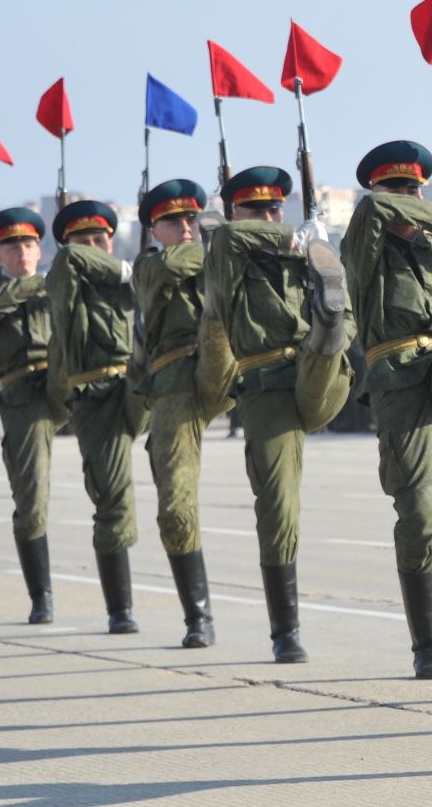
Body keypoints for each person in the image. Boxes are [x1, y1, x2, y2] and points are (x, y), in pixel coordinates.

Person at [339, 141, 432, 678]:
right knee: (420, 510)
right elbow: (373, 209)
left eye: (416, 190)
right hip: (399, 378)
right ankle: (428, 646)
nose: (407, 199)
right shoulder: (365, 245)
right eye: (399, 190)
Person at [197, 166, 355, 661]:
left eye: (275, 209)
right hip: (266, 388)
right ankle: (286, 632)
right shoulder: (225, 250)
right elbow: (228, 235)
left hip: (317, 373)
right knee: (278, 505)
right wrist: (298, 237)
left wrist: (314, 251)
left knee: (332, 324)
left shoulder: (307, 254)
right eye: (257, 210)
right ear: (236, 214)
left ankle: (327, 332)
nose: (268, 216)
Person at [45, 199, 148, 633]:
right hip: (96, 395)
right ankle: (120, 608)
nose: (92, 247)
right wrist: (125, 269)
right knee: (114, 499)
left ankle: (197, 612)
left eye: (100, 240)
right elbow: (69, 259)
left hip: (140, 382)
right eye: (84, 240)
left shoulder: (130, 283)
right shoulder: (69, 283)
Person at [133, 180, 225, 647]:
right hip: (174, 383)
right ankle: (199, 616)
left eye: (193, 220)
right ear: (154, 229)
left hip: (229, 366)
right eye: (174, 222)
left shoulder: (220, 254)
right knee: (175, 503)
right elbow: (180, 263)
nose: (187, 229)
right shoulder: (150, 266)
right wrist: (226, 243)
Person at [0, 207, 68, 624]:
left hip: (65, 380)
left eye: (30, 244)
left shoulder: (56, 285)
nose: (23, 252)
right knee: (31, 500)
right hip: (23, 394)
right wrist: (40, 283)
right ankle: (41, 595)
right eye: (12, 247)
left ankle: (120, 605)